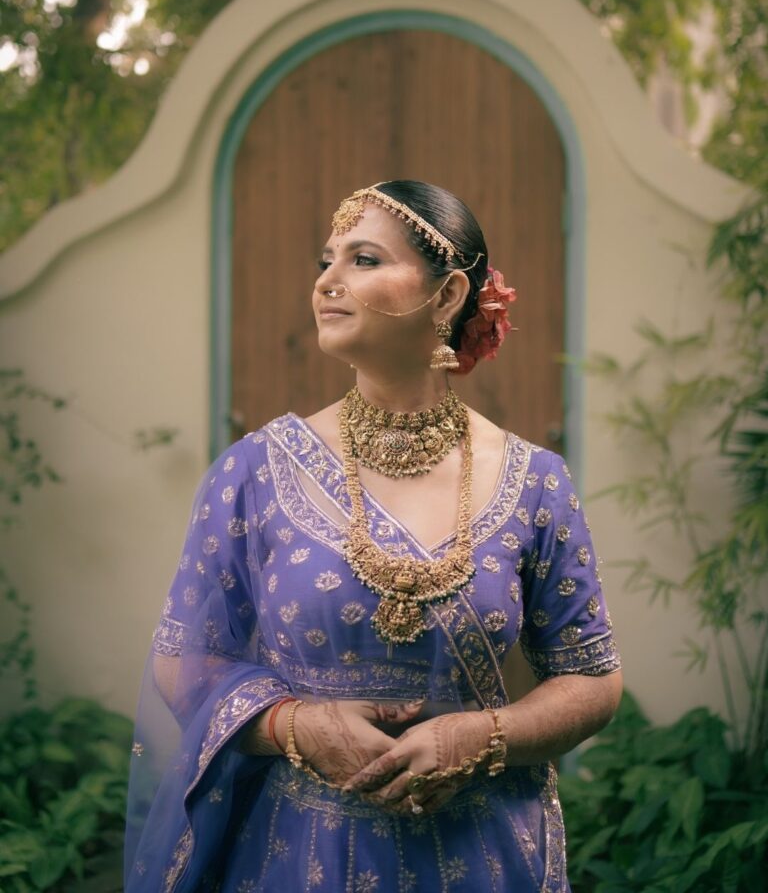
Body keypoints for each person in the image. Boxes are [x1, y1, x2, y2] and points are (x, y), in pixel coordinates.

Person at [124, 179, 622, 892]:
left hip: (481, 854)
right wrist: (294, 727)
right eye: (326, 261)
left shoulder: (535, 480)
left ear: (448, 296)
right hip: (296, 852)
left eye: (362, 259)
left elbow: (592, 677)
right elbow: (185, 661)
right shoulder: (257, 470)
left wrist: (478, 738)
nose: (327, 281)